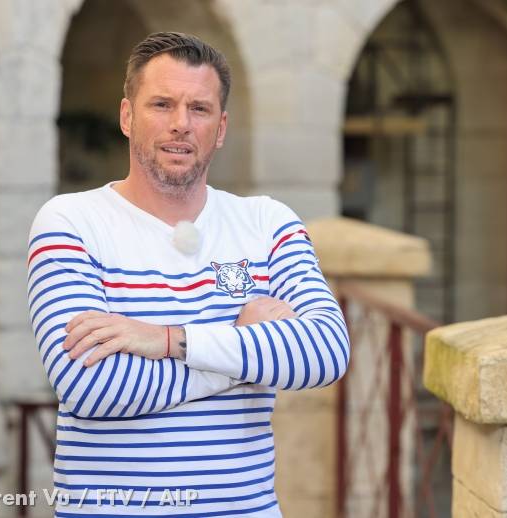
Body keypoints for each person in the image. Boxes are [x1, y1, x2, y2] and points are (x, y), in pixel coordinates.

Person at [26, 32, 349, 517]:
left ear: (220, 128)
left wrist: (167, 340)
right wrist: (240, 343)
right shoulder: (71, 221)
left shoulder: (266, 222)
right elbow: (91, 388)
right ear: (127, 116)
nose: (181, 123)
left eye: (199, 109)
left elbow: (326, 352)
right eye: (162, 104)